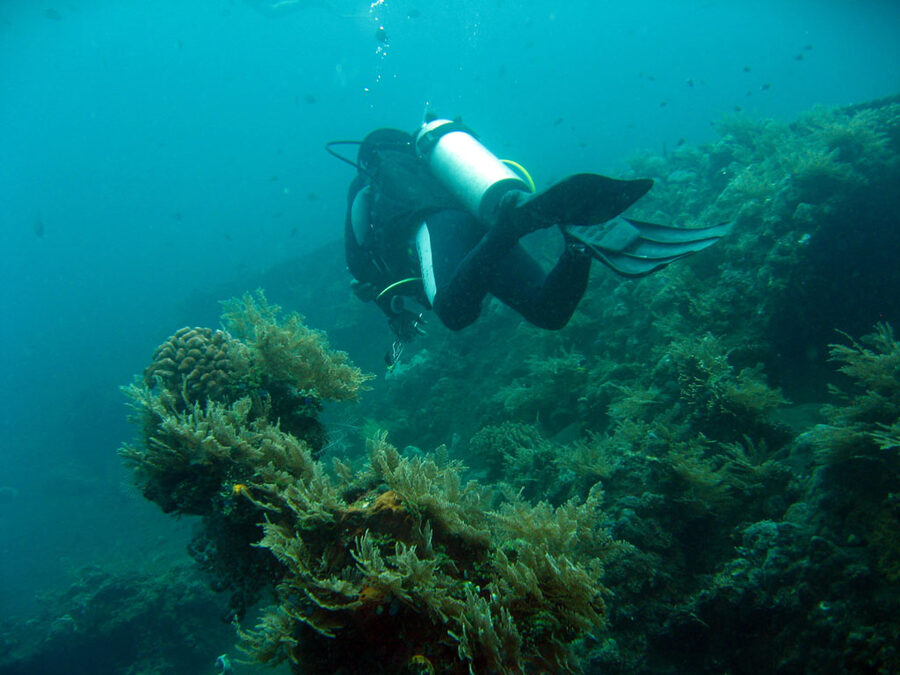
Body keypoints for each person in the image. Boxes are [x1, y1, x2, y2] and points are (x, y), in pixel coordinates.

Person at [329, 116, 729, 367]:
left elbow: (359, 258)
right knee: (548, 310)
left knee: (454, 311)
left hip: (440, 223)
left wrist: (381, 297)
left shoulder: (368, 183)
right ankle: (576, 245)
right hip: (479, 214)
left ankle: (512, 224)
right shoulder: (436, 167)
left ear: (366, 159)